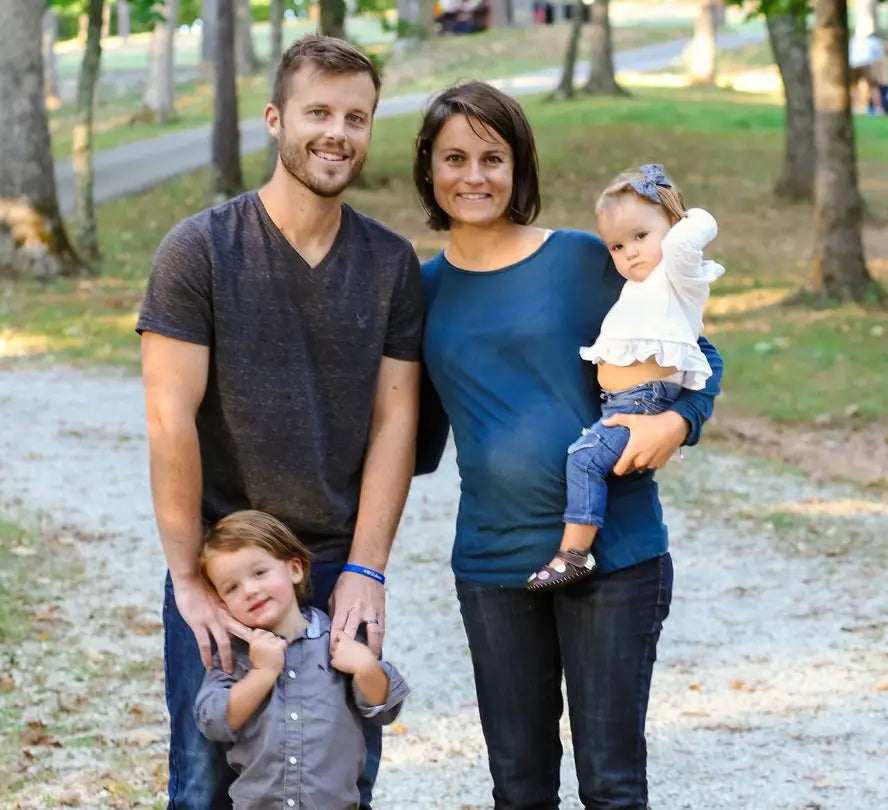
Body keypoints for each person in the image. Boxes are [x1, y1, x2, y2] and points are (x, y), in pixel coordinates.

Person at [413, 81, 723, 809]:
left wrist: (678, 423)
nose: (475, 176)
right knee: (519, 787)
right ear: (430, 169)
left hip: (615, 559)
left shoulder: (584, 260)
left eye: (494, 157)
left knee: (611, 786)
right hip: (492, 564)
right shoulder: (418, 290)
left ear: (519, 166)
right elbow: (410, 433)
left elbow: (695, 353)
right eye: (455, 157)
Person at [136, 35, 424, 810]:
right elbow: (170, 423)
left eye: (356, 117)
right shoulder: (198, 250)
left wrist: (367, 569)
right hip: (227, 571)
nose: (338, 133)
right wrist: (190, 579)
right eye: (319, 112)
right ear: (275, 119)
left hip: (333, 569)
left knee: (338, 783)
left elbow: (396, 420)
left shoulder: (391, 263)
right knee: (204, 784)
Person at [526, 164, 725, 589]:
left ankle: (574, 554)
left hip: (643, 401)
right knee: (587, 458)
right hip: (621, 404)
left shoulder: (678, 274)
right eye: (616, 246)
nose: (629, 253)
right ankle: (574, 551)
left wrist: (675, 211)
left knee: (583, 460)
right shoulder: (638, 286)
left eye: (640, 237)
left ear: (672, 231)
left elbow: (700, 226)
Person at [194, 511, 410, 810]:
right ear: (221, 602)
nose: (250, 590)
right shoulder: (236, 658)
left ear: (294, 569)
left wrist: (365, 667)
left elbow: (386, 709)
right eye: (232, 587)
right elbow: (212, 722)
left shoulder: (336, 641)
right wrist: (262, 673)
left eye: (259, 573)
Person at [849, 26, 886, 115]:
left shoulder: (853, 40)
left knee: (854, 87)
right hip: (866, 64)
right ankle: (878, 107)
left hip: (855, 64)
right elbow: (879, 58)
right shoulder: (874, 41)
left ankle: (854, 106)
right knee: (872, 87)